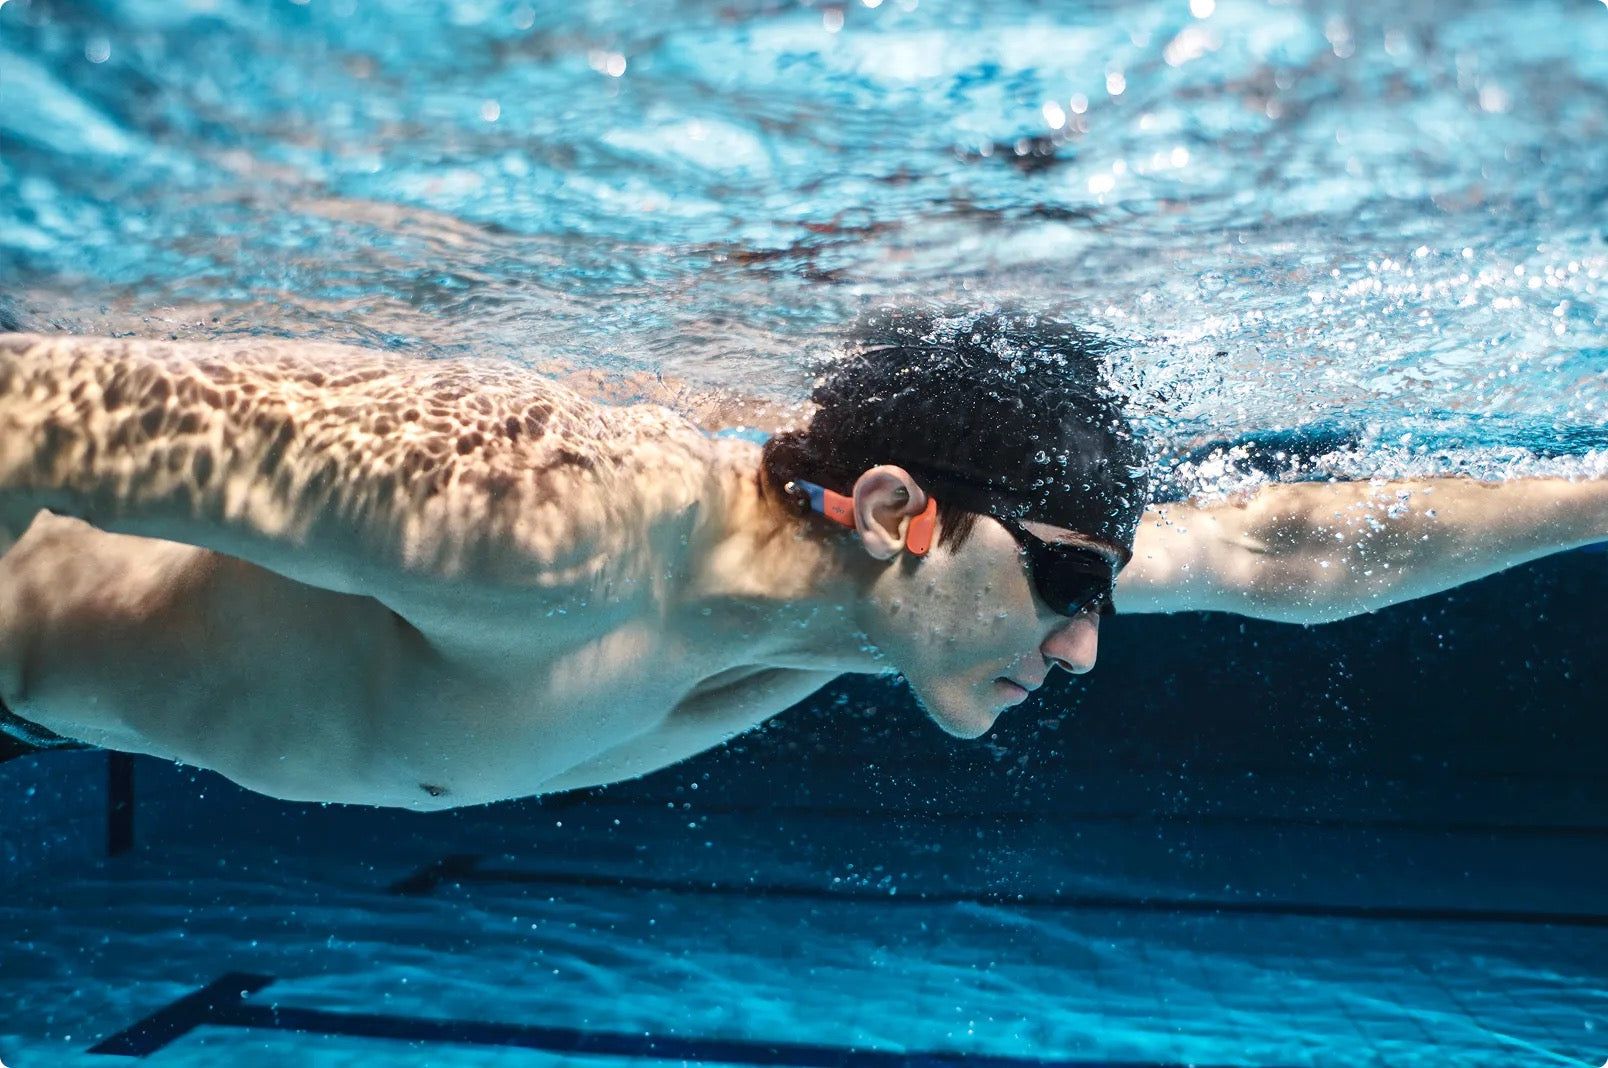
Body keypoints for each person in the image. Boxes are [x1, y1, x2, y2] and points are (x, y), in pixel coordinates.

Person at [0, 308, 1602, 809]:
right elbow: (29, 402)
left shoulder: (874, 608)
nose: (1089, 646)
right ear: (901, 503)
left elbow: (1284, 538)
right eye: (1069, 588)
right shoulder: (547, 525)